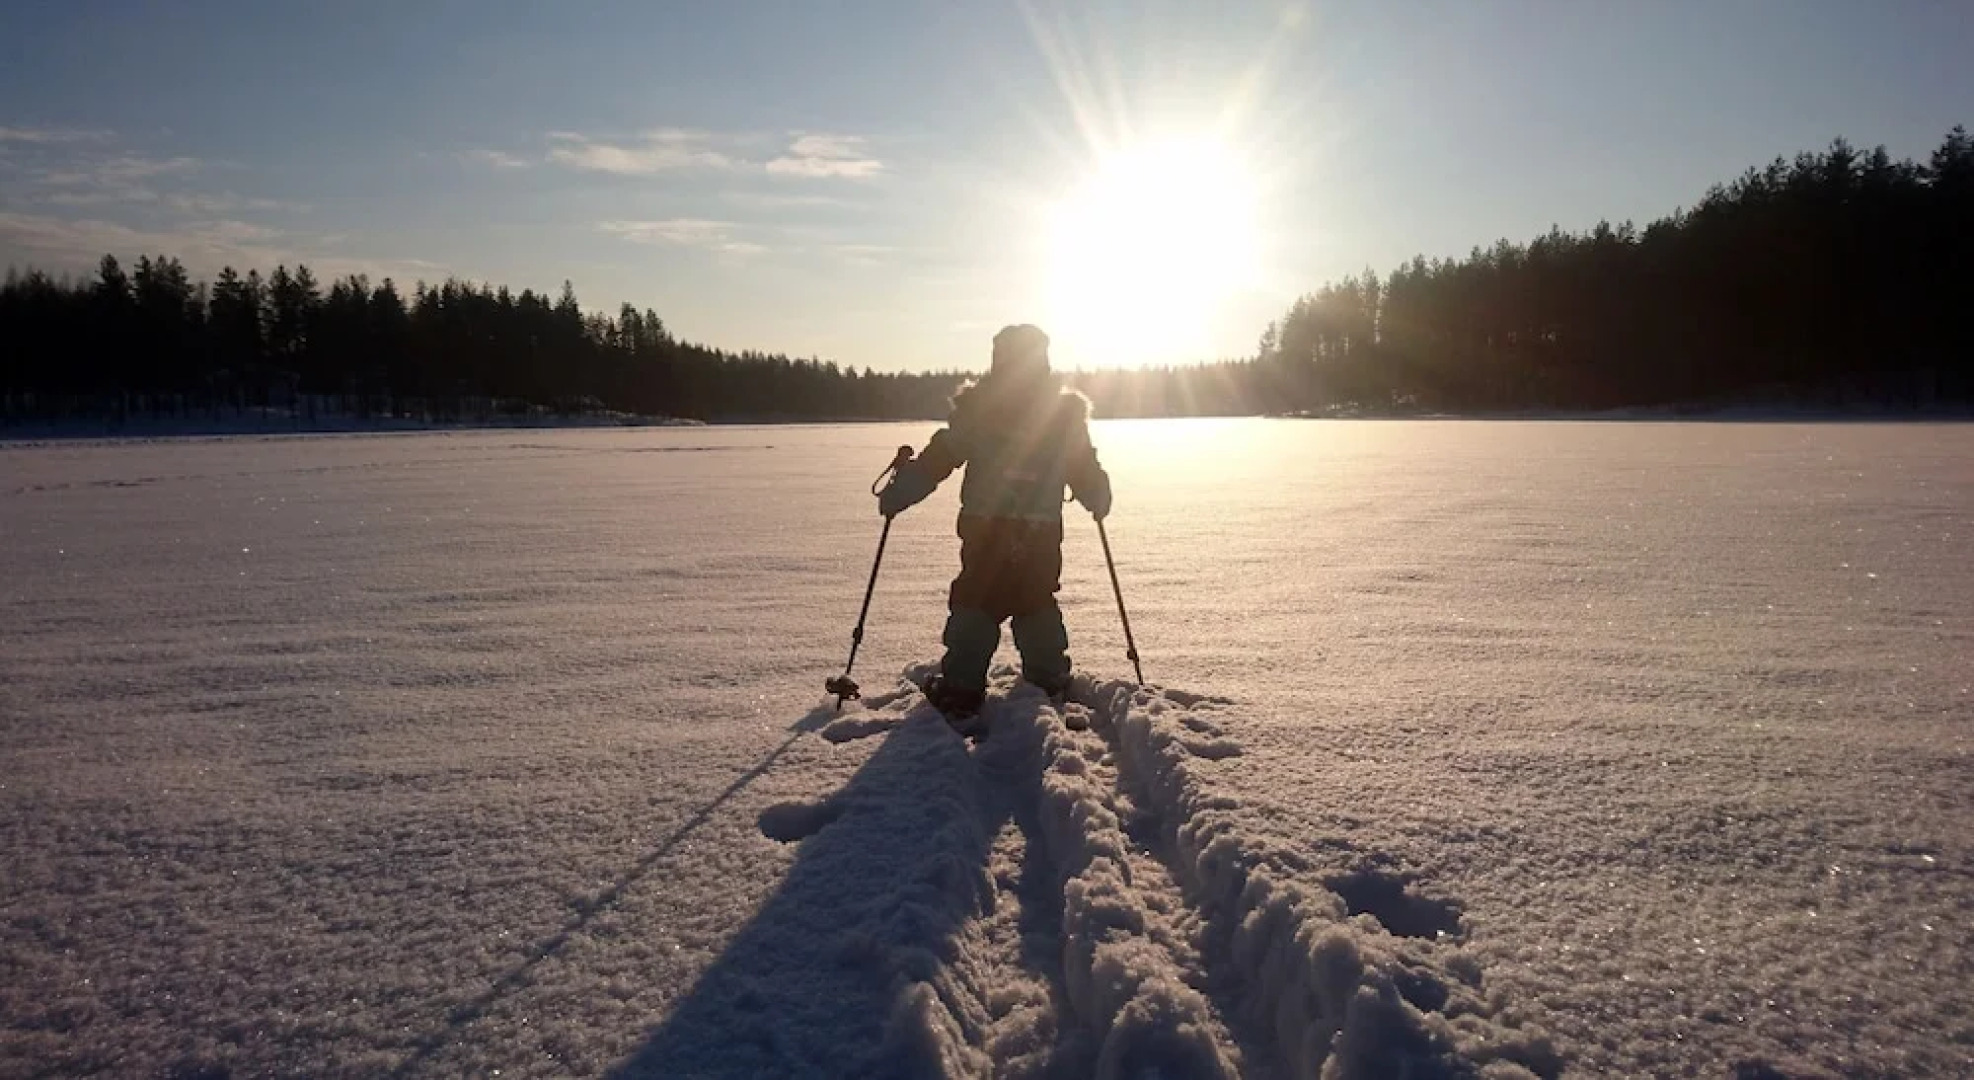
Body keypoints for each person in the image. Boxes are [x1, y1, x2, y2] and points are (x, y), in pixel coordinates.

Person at [878, 324, 1112, 725]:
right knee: (1035, 598)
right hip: (1040, 530)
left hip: (986, 527)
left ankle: (962, 688)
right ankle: (1048, 675)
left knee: (977, 601)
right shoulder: (1062, 416)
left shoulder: (981, 411)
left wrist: (901, 492)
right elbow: (1084, 466)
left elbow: (941, 457)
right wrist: (1096, 496)